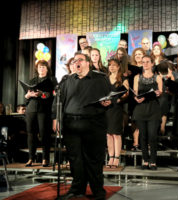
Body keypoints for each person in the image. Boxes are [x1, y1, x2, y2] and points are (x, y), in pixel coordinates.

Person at [52, 52, 112, 199]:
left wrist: (109, 102)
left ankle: (97, 191)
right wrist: (56, 118)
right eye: (74, 61)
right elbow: (58, 102)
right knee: (75, 159)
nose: (76, 62)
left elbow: (112, 97)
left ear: (87, 63)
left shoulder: (100, 79)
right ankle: (77, 188)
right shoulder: (67, 80)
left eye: (80, 60)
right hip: (71, 124)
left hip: (93, 124)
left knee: (93, 159)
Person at [24, 60, 57, 167]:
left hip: (44, 110)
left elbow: (53, 96)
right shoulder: (32, 80)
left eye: (43, 67)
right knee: (31, 134)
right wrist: (27, 96)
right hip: (31, 109)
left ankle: (45, 158)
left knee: (44, 134)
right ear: (37, 69)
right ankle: (30, 158)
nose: (41, 69)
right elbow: (27, 99)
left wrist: (42, 94)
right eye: (39, 67)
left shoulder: (51, 80)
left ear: (47, 69)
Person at [133, 55, 162, 170]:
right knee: (143, 136)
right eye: (143, 62)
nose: (145, 64)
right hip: (141, 109)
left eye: (147, 62)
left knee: (152, 136)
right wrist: (136, 97)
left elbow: (160, 91)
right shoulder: (137, 77)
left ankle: (153, 161)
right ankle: (145, 160)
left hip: (153, 109)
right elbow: (135, 92)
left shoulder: (157, 77)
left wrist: (159, 93)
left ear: (152, 63)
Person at [106, 58, 129, 169]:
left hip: (116, 109)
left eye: (114, 65)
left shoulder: (123, 79)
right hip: (106, 109)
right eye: (110, 65)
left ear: (118, 67)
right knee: (108, 134)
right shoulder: (105, 79)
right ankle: (110, 156)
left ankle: (116, 157)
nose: (112, 67)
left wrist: (118, 100)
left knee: (116, 134)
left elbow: (126, 95)